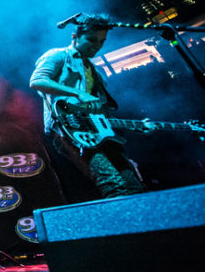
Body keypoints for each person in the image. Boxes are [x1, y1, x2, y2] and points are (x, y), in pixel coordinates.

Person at [29, 14, 144, 201]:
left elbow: (101, 111)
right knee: (114, 185)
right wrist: (78, 93)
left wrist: (135, 127)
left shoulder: (96, 72)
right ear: (74, 37)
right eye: (91, 40)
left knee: (134, 185)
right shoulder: (58, 55)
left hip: (99, 132)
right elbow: (37, 80)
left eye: (101, 41)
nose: (97, 45)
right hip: (68, 129)